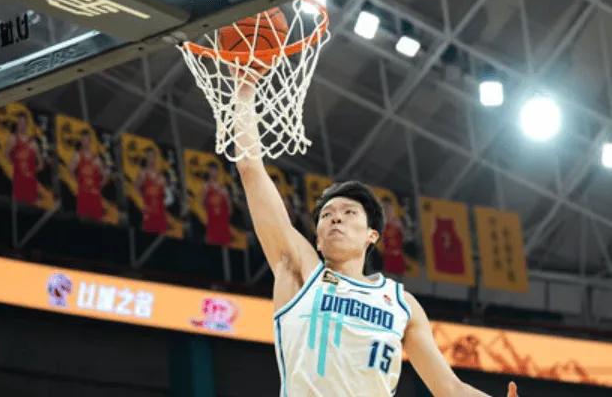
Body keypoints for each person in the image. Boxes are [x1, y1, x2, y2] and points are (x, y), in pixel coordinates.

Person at [231, 77, 518, 396]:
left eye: (349, 212)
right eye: (326, 215)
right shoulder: (300, 271)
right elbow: (249, 168)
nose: (336, 217)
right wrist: (245, 91)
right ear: (318, 240)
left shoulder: (402, 304)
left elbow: (450, 388)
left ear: (372, 235)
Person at [69, 129, 107, 220]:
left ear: (90, 141)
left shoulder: (96, 158)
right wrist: (78, 182)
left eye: (86, 140)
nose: (85, 142)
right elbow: (70, 170)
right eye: (83, 140)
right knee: (82, 221)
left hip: (95, 197)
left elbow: (105, 176)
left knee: (97, 221)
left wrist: (99, 187)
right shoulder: (78, 155)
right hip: (83, 196)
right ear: (81, 141)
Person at [5, 112, 42, 204]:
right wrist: (15, 165)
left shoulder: (33, 143)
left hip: (31, 183)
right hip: (19, 182)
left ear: (27, 124)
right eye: (19, 123)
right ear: (17, 124)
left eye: (23, 123)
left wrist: (32, 172)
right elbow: (6, 155)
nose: (21, 125)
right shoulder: (13, 139)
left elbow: (41, 164)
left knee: (32, 206)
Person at [134, 147, 168, 234]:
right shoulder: (143, 173)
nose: (151, 159)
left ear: (156, 158)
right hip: (149, 213)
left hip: (160, 213)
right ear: (146, 158)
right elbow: (136, 187)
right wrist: (144, 199)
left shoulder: (161, 176)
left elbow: (165, 196)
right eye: (149, 157)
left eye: (153, 157)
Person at [202, 161, 232, 246]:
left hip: (222, 221)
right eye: (211, 170)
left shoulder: (223, 188)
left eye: (214, 170)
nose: (213, 172)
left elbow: (229, 208)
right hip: (212, 221)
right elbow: (203, 203)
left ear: (217, 171)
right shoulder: (206, 187)